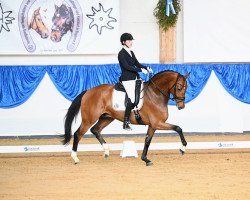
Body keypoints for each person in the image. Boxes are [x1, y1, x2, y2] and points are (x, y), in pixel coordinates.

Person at [118, 33, 153, 130]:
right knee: (133, 99)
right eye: (129, 41)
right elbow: (126, 67)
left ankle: (138, 114)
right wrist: (141, 70)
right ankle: (125, 122)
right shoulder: (121, 54)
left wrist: (146, 68)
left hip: (135, 78)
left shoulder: (131, 52)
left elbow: (137, 63)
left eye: (131, 41)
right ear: (123, 42)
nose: (131, 42)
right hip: (127, 79)